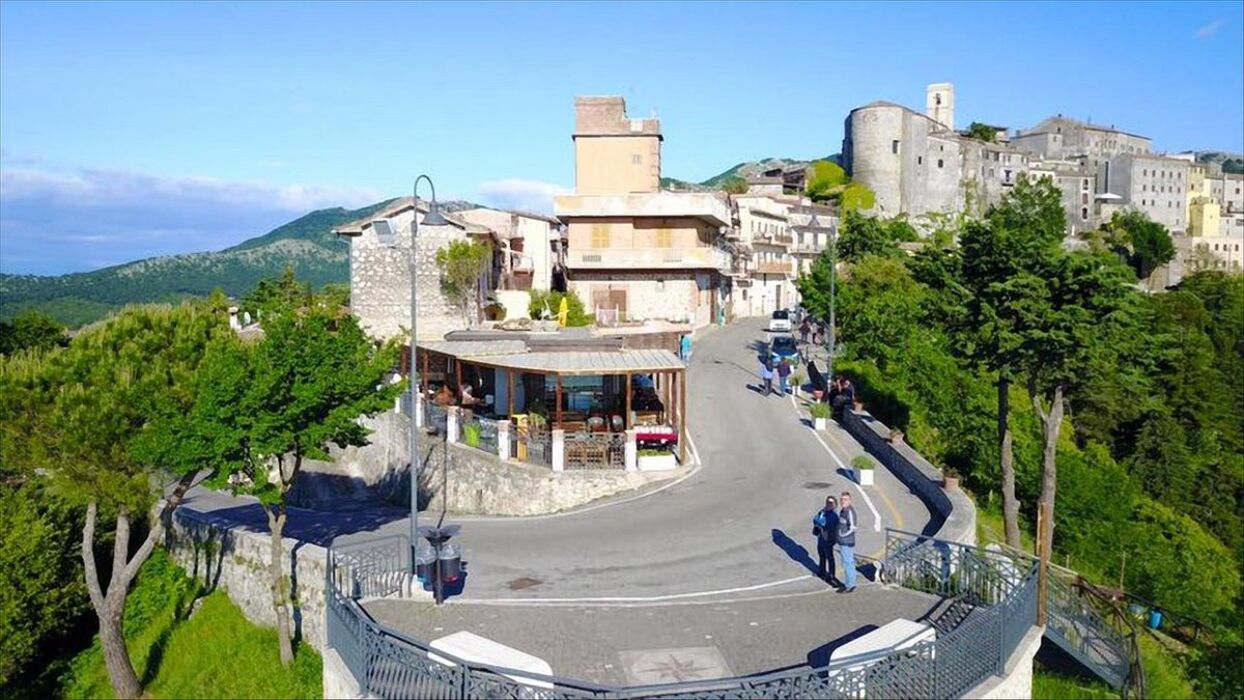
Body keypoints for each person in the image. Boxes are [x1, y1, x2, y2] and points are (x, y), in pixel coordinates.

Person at [812, 496, 840, 586]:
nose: (828, 504)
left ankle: (831, 575)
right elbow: (815, 519)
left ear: (835, 505)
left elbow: (825, 524)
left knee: (829, 557)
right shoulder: (822, 512)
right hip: (821, 537)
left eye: (831, 503)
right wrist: (820, 517)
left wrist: (820, 520)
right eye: (827, 502)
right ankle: (822, 571)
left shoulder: (833, 516)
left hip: (828, 538)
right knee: (821, 554)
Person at [837, 491, 858, 593]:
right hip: (842, 541)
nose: (842, 501)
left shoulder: (849, 511)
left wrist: (842, 535)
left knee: (847, 563)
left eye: (845, 499)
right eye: (841, 499)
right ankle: (850, 583)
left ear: (850, 500)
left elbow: (853, 527)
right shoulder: (843, 511)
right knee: (847, 562)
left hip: (847, 542)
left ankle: (850, 585)